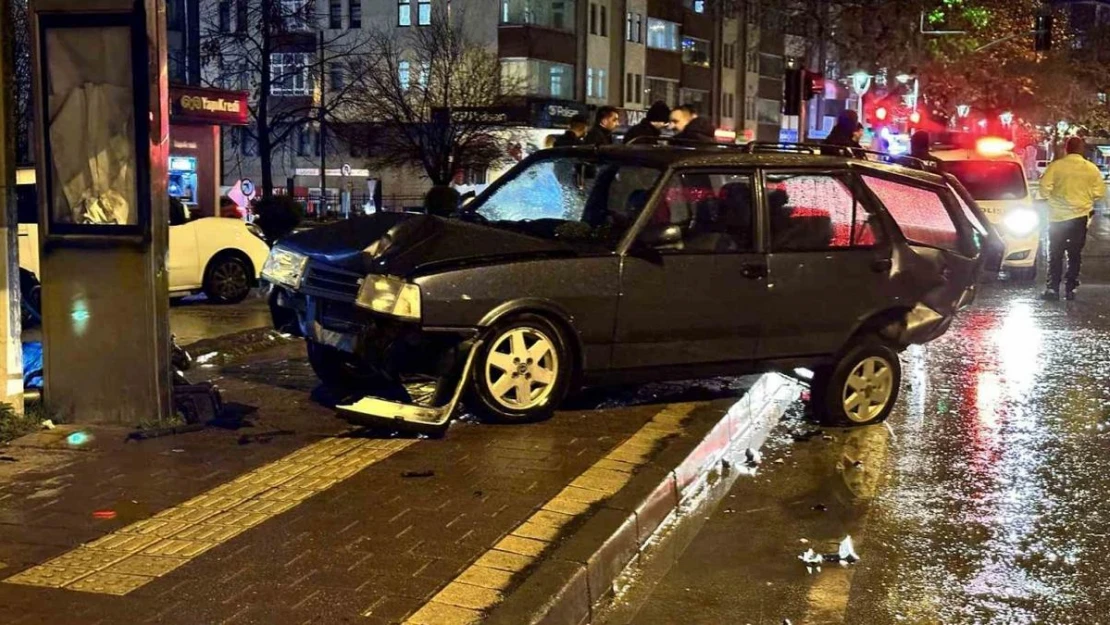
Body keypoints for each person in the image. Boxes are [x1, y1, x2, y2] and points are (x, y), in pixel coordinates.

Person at [1039, 136, 1106, 300]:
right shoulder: (1091, 168)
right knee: (1075, 253)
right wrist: (1085, 198)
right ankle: (1071, 288)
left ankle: (1052, 288)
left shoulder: (1056, 167)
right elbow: (1099, 192)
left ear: (1066, 149)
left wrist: (1051, 198)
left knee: (1055, 253)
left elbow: (1043, 188)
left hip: (1058, 217)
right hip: (1080, 216)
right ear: (1081, 149)